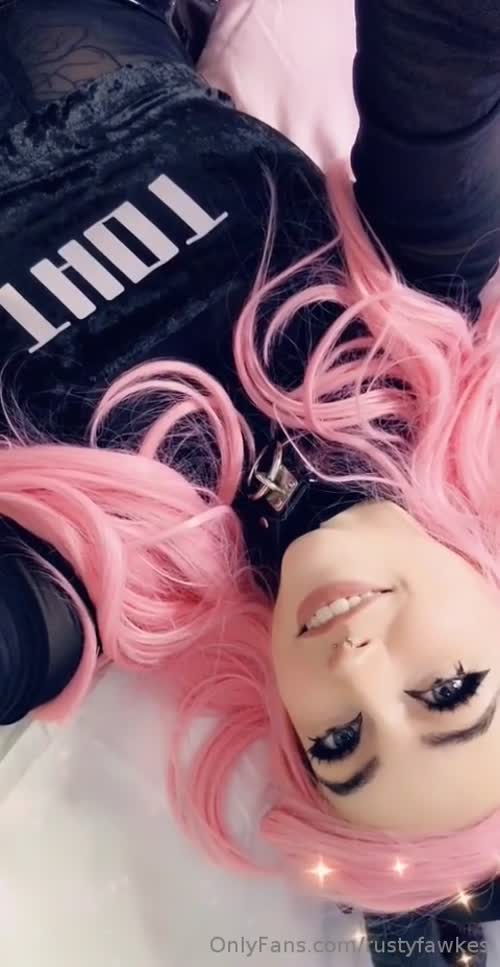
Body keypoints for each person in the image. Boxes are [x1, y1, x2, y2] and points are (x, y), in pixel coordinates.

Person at [0, 1, 500, 963]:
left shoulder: (115, 584)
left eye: (340, 743)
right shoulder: (415, 307)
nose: (357, 669)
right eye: (448, 690)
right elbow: (445, 38)